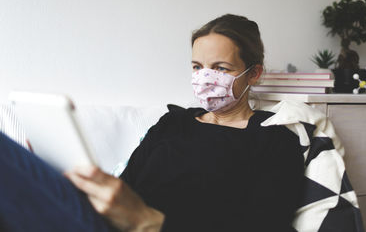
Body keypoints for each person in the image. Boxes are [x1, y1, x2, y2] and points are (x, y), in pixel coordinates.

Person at [0, 14, 304, 232]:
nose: (204, 78)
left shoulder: (274, 139)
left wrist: (148, 222)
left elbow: (265, 224)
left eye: (220, 68)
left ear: (254, 73)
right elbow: (127, 186)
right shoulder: (173, 122)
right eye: (197, 67)